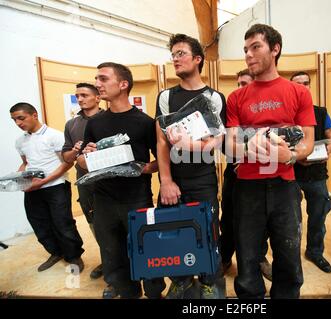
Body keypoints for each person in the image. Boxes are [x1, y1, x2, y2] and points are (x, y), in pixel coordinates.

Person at [225, 24, 316, 299]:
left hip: (284, 186)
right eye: (245, 50)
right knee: (248, 257)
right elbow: (229, 145)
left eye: (256, 47)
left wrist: (290, 155)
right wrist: (246, 148)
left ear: (275, 49)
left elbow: (308, 142)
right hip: (247, 188)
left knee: (288, 257)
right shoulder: (236, 97)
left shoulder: (299, 93)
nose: (248, 55)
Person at [76, 62, 159, 298]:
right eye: (96, 79)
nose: (97, 84)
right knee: (112, 254)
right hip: (103, 200)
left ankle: (154, 292)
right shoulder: (95, 122)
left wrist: (143, 169)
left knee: (147, 251)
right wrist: (85, 157)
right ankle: (126, 292)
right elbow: (82, 161)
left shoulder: (144, 122)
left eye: (103, 79)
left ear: (123, 85)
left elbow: (160, 161)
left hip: (137, 199)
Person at [154, 33, 226, 299]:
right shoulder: (165, 97)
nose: (175, 59)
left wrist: (194, 146)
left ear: (198, 59)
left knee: (209, 232)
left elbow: (219, 140)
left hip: (204, 178)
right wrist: (166, 181)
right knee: (173, 232)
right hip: (174, 178)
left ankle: (209, 281)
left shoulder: (215, 97)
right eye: (173, 54)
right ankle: (181, 280)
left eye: (181, 53)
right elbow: (161, 141)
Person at [10, 102, 84, 273]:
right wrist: (19, 179)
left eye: (21, 118)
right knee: (39, 223)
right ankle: (55, 252)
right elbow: (25, 163)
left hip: (55, 186)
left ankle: (73, 256)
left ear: (34, 115)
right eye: (14, 120)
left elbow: (67, 164)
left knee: (62, 223)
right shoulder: (20, 141)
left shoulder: (55, 136)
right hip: (33, 189)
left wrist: (43, 182)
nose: (18, 123)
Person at [219, 69, 273, 281]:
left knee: (262, 221)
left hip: (261, 176)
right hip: (234, 175)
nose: (241, 88)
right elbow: (224, 145)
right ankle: (225, 258)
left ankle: (259, 258)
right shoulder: (231, 111)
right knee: (229, 219)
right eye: (239, 83)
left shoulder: (265, 113)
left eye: (246, 84)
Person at [290, 71, 331, 273]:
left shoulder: (321, 112)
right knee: (291, 219)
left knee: (318, 216)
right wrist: (297, 156)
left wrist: (329, 149)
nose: (302, 87)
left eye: (305, 83)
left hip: (317, 175)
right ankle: (291, 256)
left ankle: (315, 252)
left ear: (310, 85)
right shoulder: (286, 113)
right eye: (297, 84)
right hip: (291, 174)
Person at [62, 83, 104, 280]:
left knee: (116, 224)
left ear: (97, 97)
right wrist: (75, 151)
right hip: (86, 182)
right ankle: (108, 260)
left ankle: (125, 260)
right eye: (77, 96)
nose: (79, 99)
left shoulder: (109, 120)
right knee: (94, 222)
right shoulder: (72, 125)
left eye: (84, 95)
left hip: (109, 181)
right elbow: (67, 156)